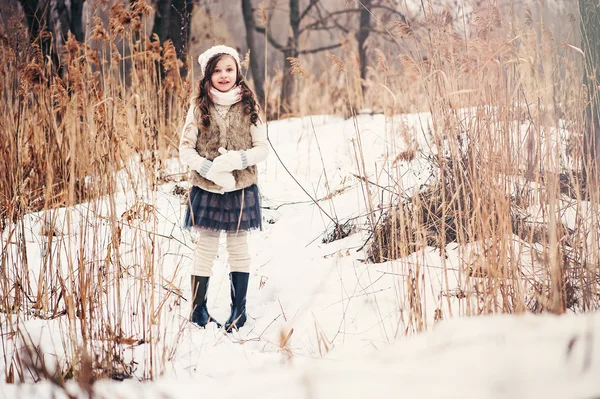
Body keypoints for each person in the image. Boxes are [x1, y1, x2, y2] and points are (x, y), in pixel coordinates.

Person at [179, 45, 268, 332]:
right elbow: (185, 150)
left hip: (241, 188)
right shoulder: (198, 108)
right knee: (205, 247)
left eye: (229, 69)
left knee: (238, 247)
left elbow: (262, 149)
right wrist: (208, 169)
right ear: (207, 76)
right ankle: (198, 309)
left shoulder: (250, 106)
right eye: (217, 70)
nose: (224, 75)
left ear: (237, 72)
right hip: (207, 189)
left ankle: (238, 311)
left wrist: (238, 159)